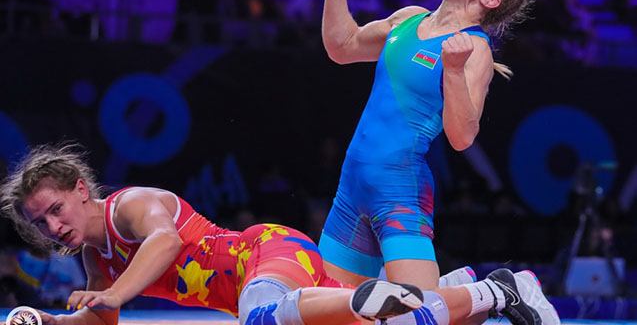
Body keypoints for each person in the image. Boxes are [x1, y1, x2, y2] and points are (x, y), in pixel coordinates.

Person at [2, 143, 537, 325]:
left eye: (55, 210)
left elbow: (165, 242)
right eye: (39, 223)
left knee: (259, 318)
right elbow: (101, 319)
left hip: (266, 253)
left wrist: (116, 292)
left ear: (81, 189)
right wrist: (53, 321)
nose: (52, 228)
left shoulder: (129, 206)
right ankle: (491, 291)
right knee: (394, 324)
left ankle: (367, 297)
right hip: (279, 293)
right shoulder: (97, 261)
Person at [318, 0, 560, 325]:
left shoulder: (475, 48)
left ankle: (505, 290)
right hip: (351, 190)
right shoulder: (407, 19)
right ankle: (456, 287)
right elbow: (343, 46)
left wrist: (453, 70)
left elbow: (462, 137)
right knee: (334, 318)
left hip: (399, 192)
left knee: (417, 318)